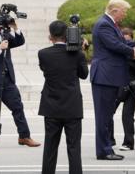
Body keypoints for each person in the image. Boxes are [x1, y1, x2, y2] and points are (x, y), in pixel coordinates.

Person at [0, 11, 40, 148]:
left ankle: (24, 136)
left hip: (8, 80)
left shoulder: (5, 35)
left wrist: (15, 27)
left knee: (18, 107)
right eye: (0, 20)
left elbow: (19, 41)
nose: (2, 22)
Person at [90, 0, 135, 160]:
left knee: (106, 115)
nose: (125, 15)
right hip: (105, 76)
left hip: (109, 76)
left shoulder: (110, 24)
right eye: (123, 11)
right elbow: (115, 45)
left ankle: (107, 149)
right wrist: (133, 52)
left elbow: (122, 42)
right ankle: (104, 151)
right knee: (104, 116)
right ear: (114, 10)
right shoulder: (104, 24)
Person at [38, 20, 88, 174]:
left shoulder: (43, 53)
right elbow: (84, 75)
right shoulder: (77, 54)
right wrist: (81, 51)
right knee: (74, 147)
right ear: (67, 35)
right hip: (72, 107)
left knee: (50, 147)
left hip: (51, 106)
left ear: (50, 36)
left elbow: (44, 69)